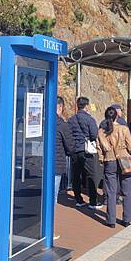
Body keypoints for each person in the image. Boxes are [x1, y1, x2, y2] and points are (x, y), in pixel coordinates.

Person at [96, 107, 131, 228]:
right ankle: (127, 218)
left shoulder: (102, 131)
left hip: (110, 160)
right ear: (117, 116)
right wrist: (128, 152)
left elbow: (99, 148)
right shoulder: (124, 129)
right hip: (124, 158)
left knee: (111, 191)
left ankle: (111, 220)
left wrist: (102, 159)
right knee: (127, 190)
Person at [68, 97, 101, 209]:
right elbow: (94, 134)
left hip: (75, 150)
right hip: (87, 150)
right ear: (86, 106)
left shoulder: (71, 119)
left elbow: (69, 134)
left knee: (76, 176)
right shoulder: (90, 119)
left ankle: (78, 199)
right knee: (91, 175)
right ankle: (93, 201)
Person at [55, 96, 74, 239]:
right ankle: (49, 230)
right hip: (56, 164)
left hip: (37, 164)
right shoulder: (62, 125)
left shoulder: (41, 122)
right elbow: (70, 146)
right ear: (60, 108)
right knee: (53, 198)